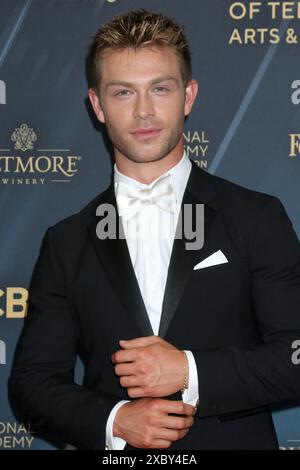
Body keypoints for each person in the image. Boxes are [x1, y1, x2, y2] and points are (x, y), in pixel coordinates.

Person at [8, 9, 300, 450]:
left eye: (160, 88)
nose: (144, 111)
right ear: (98, 106)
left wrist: (188, 371)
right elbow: (31, 384)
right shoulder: (65, 242)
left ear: (188, 96)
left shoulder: (256, 217)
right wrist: (116, 420)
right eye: (123, 93)